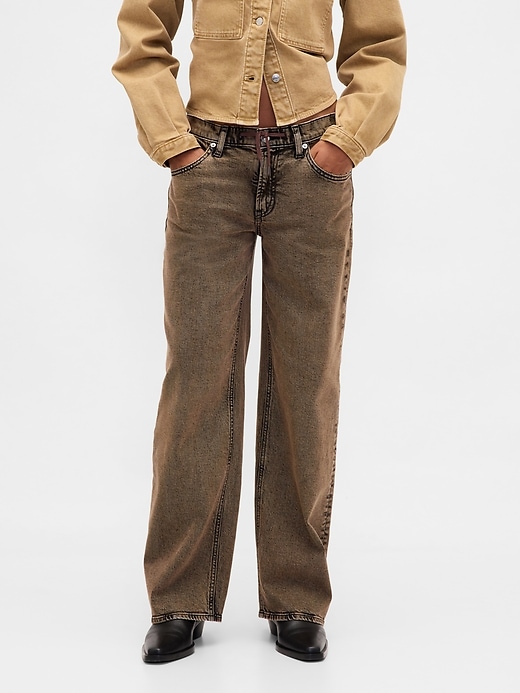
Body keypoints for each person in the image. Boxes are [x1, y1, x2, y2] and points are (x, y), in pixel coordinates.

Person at [112, 0, 406, 663]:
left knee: (305, 383)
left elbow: (380, 46)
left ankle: (297, 598)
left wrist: (345, 143)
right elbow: (142, 35)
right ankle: (178, 599)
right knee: (196, 380)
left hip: (313, 166)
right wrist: (174, 143)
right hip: (208, 167)